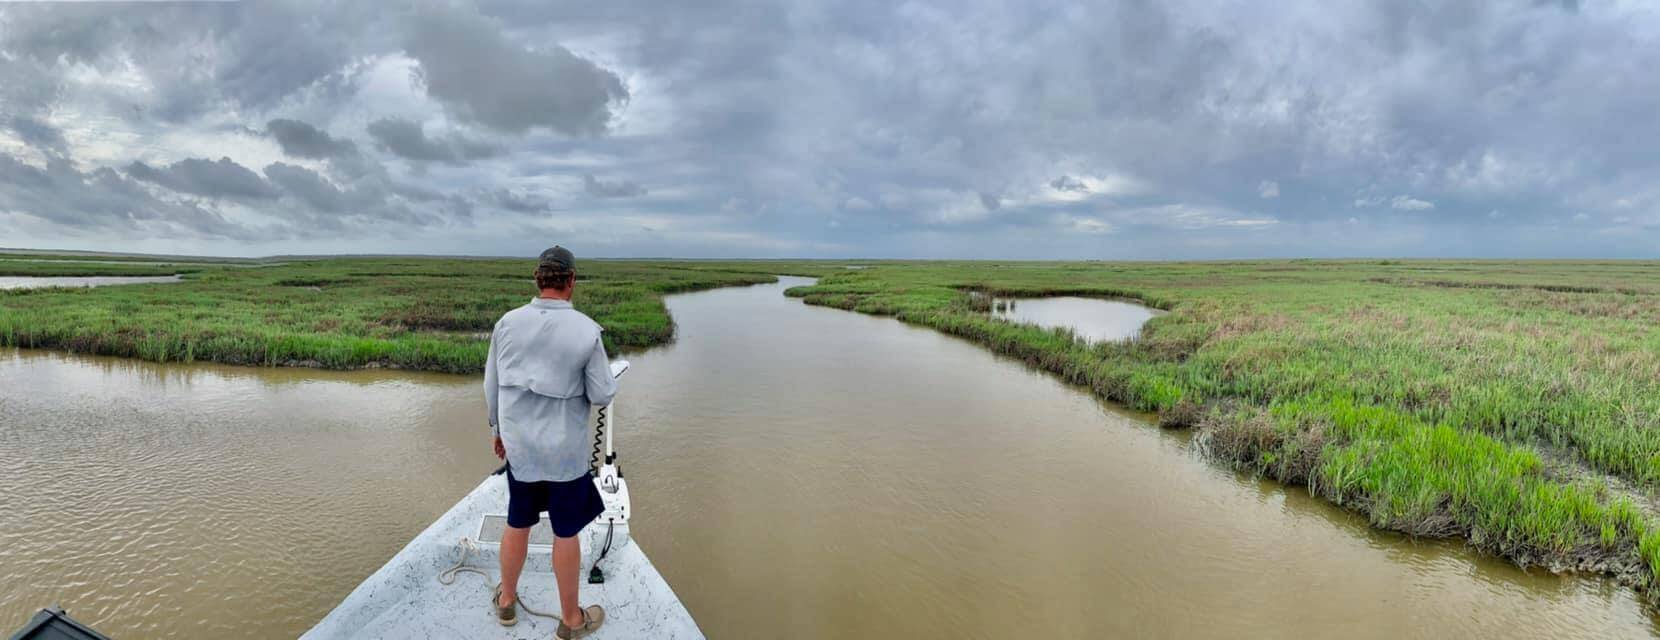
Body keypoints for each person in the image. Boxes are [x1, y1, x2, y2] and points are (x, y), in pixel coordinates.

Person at [483, 245, 617, 639]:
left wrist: (497, 432)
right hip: (566, 455)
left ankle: (506, 602)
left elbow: (491, 384)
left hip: (520, 449)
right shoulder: (587, 331)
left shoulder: (506, 324)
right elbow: (603, 393)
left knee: (517, 522)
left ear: (538, 281)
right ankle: (571, 621)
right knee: (565, 533)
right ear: (571, 282)